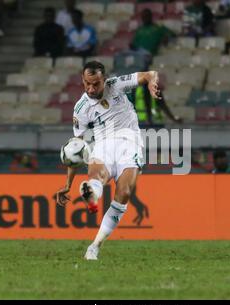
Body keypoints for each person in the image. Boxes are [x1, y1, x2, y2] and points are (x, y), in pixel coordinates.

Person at [55, 61, 161, 260]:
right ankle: (92, 193)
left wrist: (151, 84)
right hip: (103, 143)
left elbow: (150, 73)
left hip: (130, 142)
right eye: (87, 83)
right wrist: (68, 184)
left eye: (96, 84)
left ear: (104, 80)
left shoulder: (116, 85)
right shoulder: (81, 108)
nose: (91, 88)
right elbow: (75, 150)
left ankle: (94, 245)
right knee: (98, 176)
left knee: (124, 192)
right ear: (83, 80)